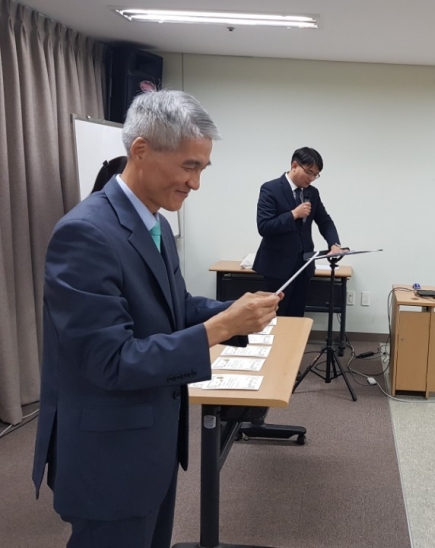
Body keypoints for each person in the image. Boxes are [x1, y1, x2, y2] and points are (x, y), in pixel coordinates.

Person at [32, 90, 281, 548]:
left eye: (202, 168)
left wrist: (234, 312)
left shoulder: (156, 222)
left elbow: (173, 307)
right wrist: (222, 327)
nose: (196, 183)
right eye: (189, 166)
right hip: (108, 457)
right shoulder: (86, 233)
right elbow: (111, 361)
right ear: (141, 150)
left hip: (150, 445)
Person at [253, 147, 343, 317]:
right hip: (277, 267)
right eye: (309, 172)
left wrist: (334, 244)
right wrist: (293, 214)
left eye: (316, 174)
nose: (311, 178)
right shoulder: (270, 188)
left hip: (304, 265)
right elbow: (264, 226)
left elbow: (324, 221)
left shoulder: (312, 193)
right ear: (294, 165)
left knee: (297, 316)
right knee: (277, 317)